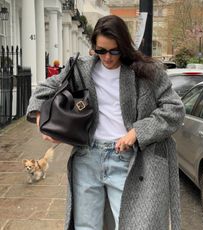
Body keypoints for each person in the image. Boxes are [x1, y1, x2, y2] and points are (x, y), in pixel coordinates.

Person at [26, 15, 185, 230]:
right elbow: (45, 90)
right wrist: (40, 119)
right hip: (87, 158)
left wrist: (137, 132)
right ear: (94, 47)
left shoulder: (147, 72)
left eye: (114, 51)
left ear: (124, 46)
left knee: (133, 224)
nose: (107, 57)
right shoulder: (81, 68)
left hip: (128, 160)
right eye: (101, 51)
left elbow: (175, 110)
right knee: (86, 226)